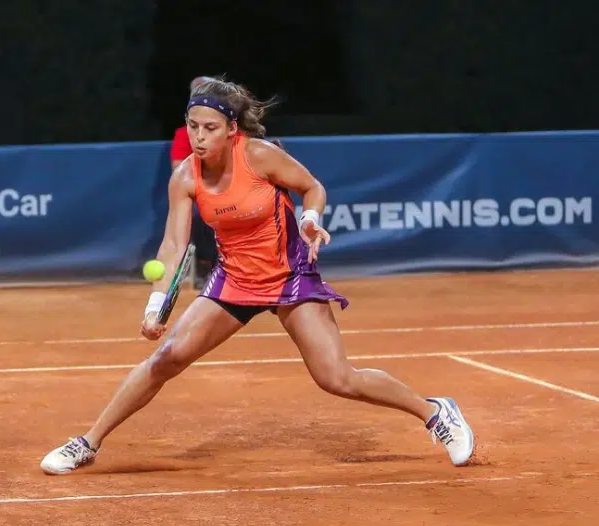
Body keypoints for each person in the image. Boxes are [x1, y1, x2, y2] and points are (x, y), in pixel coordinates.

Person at [40, 76, 475, 475]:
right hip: (234, 279)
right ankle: (88, 442)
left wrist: (309, 219)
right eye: (193, 126)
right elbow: (173, 246)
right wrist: (156, 306)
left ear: (232, 129)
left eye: (210, 128)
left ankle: (435, 413)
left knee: (336, 378)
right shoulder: (185, 176)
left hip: (289, 275)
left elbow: (312, 187)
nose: (199, 137)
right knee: (167, 358)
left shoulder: (260, 156)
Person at [170, 76, 218, 288]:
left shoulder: (227, 131)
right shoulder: (183, 134)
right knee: (202, 215)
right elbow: (178, 169)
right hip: (200, 191)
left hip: (228, 188)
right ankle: (205, 266)